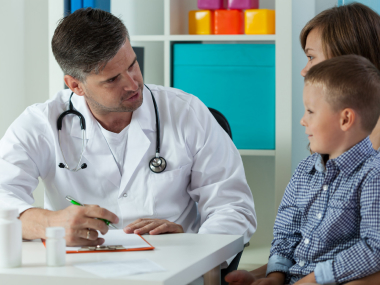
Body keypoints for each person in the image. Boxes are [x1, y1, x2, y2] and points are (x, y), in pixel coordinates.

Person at [0, 8, 256, 270]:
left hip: (174, 270)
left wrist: (195, 250)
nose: (133, 84)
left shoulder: (186, 112)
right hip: (78, 272)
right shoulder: (40, 123)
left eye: (133, 64)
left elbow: (232, 206)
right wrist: (50, 223)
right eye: (112, 79)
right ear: (75, 85)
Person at [226, 3, 380, 284]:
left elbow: (371, 256)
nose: (304, 70)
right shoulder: (319, 157)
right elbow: (303, 240)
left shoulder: (371, 169)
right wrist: (270, 274)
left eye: (311, 57)